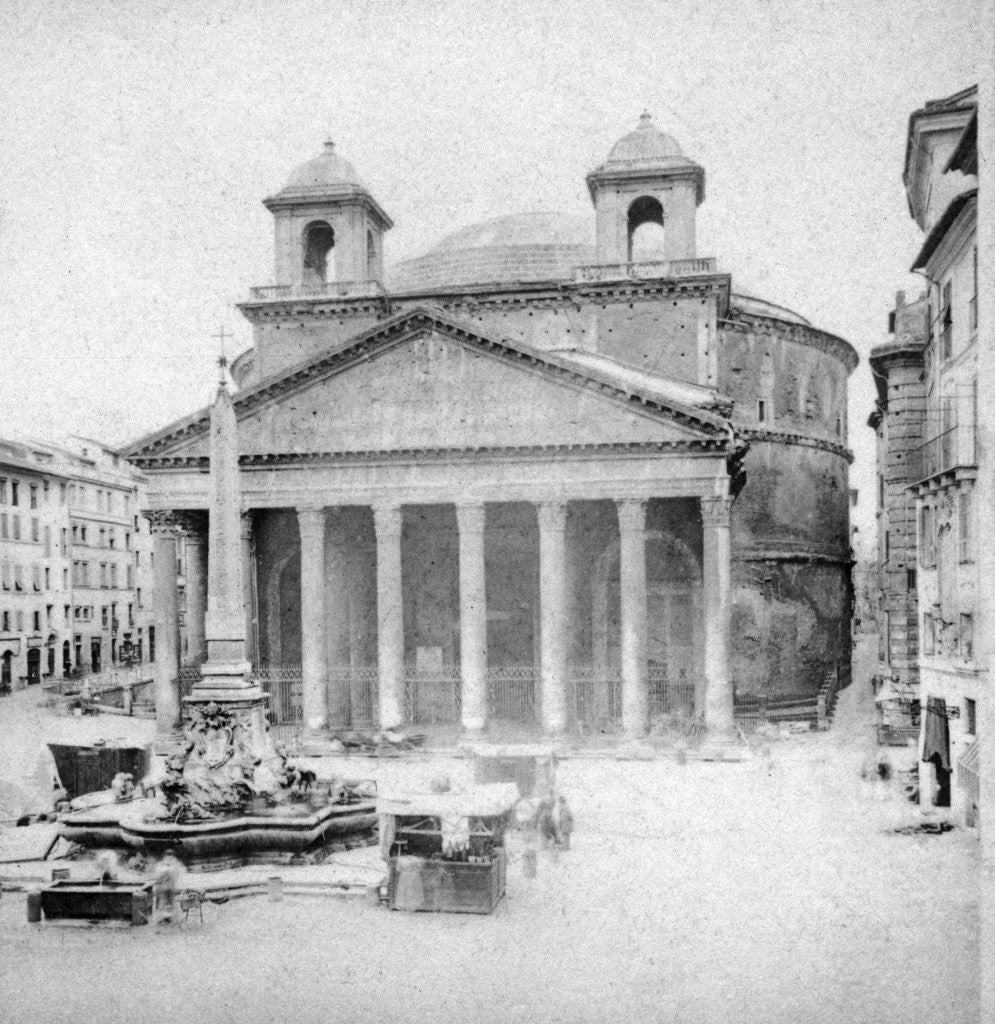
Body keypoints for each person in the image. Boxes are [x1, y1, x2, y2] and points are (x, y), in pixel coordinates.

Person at [153, 849, 185, 923]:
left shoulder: (162, 864)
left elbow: (158, 875)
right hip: (168, 885)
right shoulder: (174, 863)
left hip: (165, 885)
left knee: (165, 901)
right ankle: (167, 916)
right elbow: (178, 873)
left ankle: (165, 916)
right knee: (168, 901)